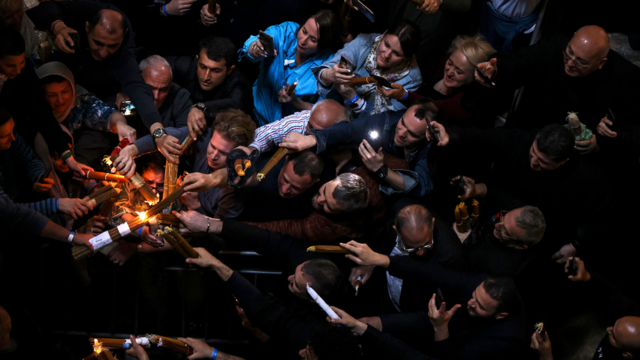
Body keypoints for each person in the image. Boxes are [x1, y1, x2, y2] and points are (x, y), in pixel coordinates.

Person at [26, 1, 180, 160]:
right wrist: (58, 27)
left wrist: (159, 134)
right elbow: (41, 9)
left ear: (123, 35)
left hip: (93, 97)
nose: (103, 52)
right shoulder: (87, 10)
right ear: (87, 28)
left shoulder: (124, 55)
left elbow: (139, 91)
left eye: (112, 46)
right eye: (98, 43)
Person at [439, 123, 611, 262]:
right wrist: (450, 135)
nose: (533, 163)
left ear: (562, 162)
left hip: (539, 234)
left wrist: (577, 245)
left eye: (542, 162)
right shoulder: (523, 140)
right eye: (533, 153)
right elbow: (485, 137)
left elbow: (602, 219)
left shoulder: (588, 179)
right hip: (498, 206)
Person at [336, 240, 530, 359]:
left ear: (500, 315)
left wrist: (440, 329)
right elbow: (434, 274)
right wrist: (380, 260)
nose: (471, 302)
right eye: (474, 296)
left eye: (479, 306)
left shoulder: (508, 339)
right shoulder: (480, 286)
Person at [475, 25, 640, 157]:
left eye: (581, 62)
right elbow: (521, 62)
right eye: (569, 53)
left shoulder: (626, 77)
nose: (569, 63)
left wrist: (602, 142)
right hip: (535, 126)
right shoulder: (556, 46)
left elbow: (631, 129)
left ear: (601, 63)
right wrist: (496, 69)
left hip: (577, 152)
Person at [186, 246, 347, 358]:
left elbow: (272, 314)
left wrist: (212, 354)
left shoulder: (313, 334)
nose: (289, 278)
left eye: (296, 283)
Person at [280, 99, 446, 197]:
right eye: (402, 123)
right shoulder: (388, 120)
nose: (401, 133)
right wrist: (312, 139)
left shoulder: (430, 148)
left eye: (412, 134)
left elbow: (421, 187)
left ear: (427, 136)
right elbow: (351, 129)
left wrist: (381, 170)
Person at [350, 205, 467, 343]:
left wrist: (383, 322)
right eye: (411, 247)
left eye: (426, 245)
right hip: (388, 296)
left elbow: (440, 313)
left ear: (432, 225)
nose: (420, 253)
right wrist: (371, 262)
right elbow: (384, 242)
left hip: (410, 322)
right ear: (397, 230)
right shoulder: (395, 213)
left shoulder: (450, 258)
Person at [116, 109, 256, 217]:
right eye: (212, 146)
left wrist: (195, 205)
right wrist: (131, 150)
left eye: (224, 153)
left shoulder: (236, 188)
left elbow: (218, 239)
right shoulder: (205, 138)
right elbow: (170, 136)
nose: (213, 156)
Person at [0, 27, 89, 175]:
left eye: (21, 63)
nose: (17, 70)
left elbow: (41, 110)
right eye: (10, 65)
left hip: (19, 138)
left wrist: (67, 156)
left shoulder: (25, 72)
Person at [239, 10, 342, 125]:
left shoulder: (329, 65)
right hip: (252, 111)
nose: (303, 41)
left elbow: (323, 111)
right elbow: (257, 43)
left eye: (313, 40)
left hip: (285, 130)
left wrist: (295, 102)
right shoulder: (287, 32)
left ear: (325, 44)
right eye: (304, 31)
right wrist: (256, 48)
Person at [531, 257, 640, 360]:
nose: (608, 329)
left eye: (614, 336)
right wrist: (587, 276)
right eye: (615, 324)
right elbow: (612, 295)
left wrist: (546, 356)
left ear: (626, 354)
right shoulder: (636, 315)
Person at [380, 35, 498, 128]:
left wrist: (404, 95)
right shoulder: (443, 63)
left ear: (475, 76)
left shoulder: (466, 104)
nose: (450, 71)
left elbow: (435, 108)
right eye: (450, 63)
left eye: (459, 71)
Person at [36, 61, 136, 168]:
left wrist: (120, 124)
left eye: (65, 91)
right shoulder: (34, 113)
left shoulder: (81, 102)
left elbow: (106, 113)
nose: (60, 100)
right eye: (52, 95)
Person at [0, 107, 94, 220]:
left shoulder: (12, 139)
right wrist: (57, 205)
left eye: (13, 131)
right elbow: (9, 210)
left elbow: (28, 157)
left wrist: (38, 176)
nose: (13, 138)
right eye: (4, 136)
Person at [314, 20, 422, 117]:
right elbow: (327, 69)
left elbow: (387, 121)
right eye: (386, 44)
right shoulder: (364, 42)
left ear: (407, 58)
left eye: (397, 54)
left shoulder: (412, 79)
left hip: (365, 129)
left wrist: (353, 99)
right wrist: (329, 74)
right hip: (332, 107)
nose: (387, 55)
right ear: (383, 34)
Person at [166, 36, 252, 139]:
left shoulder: (240, 83)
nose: (206, 77)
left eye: (216, 71)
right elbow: (154, 67)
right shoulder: (186, 64)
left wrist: (201, 108)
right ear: (197, 59)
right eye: (202, 67)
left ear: (230, 70)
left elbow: (235, 103)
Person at [219, 150, 327, 222]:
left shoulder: (321, 194)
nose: (285, 190)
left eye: (295, 187)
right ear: (286, 159)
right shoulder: (262, 171)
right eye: (285, 179)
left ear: (314, 182)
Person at [462, 205, 546, 277]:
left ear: (520, 246)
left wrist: (460, 242)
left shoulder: (497, 268)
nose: (496, 225)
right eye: (503, 218)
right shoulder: (513, 216)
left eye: (505, 231)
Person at [118, 55, 192, 135]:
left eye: (163, 90)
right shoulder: (129, 96)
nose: (156, 96)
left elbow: (184, 136)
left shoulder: (180, 97)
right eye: (150, 88)